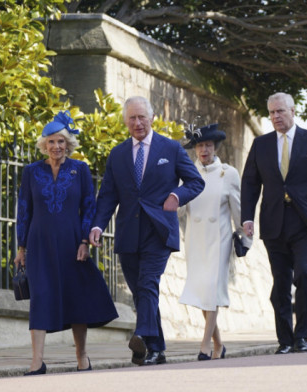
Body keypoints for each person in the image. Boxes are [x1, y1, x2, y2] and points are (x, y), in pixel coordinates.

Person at [89, 96, 205, 365]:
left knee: (148, 283)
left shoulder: (171, 148)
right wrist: (97, 225)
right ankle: (157, 348)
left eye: (142, 117)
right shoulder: (117, 154)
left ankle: (141, 335)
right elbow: (107, 196)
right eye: (132, 118)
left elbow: (195, 182)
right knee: (141, 292)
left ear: (152, 117)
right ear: (126, 121)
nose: (138, 122)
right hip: (128, 232)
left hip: (159, 230)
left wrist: (177, 195)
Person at [14, 111, 118, 375]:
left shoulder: (80, 169)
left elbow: (89, 205)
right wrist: (21, 247)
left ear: (68, 144)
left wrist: (85, 240)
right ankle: (37, 361)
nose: (56, 147)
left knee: (76, 298)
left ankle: (81, 356)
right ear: (44, 145)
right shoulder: (31, 172)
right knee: (40, 297)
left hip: (72, 243)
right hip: (39, 244)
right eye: (51, 142)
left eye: (61, 141)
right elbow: (24, 210)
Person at [241, 92, 307, 354]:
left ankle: (303, 335)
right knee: (280, 282)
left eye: (280, 111)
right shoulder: (261, 144)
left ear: (293, 111)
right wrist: (247, 217)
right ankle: (285, 339)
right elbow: (250, 182)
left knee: (305, 274)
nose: (275, 117)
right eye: (271, 112)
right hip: (274, 222)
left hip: (305, 221)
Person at [179, 123, 252, 360]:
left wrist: (246, 237)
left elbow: (238, 210)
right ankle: (218, 344)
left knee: (212, 289)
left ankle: (204, 346)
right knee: (202, 293)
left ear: (215, 147)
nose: (204, 150)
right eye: (199, 145)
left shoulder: (228, 173)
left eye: (208, 145)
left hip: (219, 239)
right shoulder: (188, 174)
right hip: (195, 239)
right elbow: (179, 208)